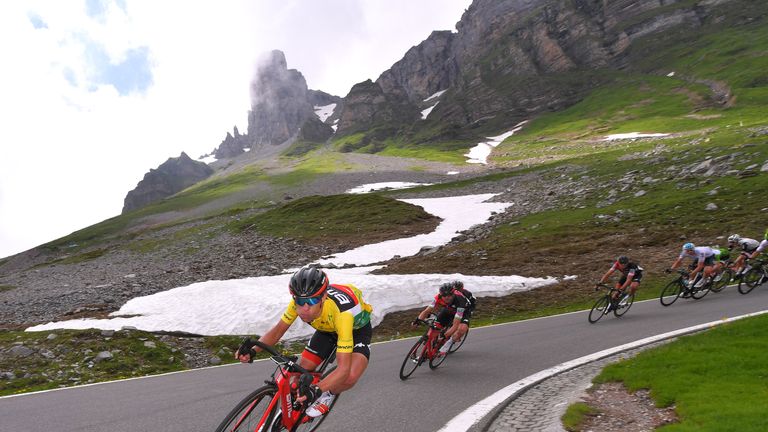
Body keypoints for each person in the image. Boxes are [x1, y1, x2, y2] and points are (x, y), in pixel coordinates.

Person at [235, 265, 373, 418]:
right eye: (300, 301)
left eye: (312, 300)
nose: (305, 308)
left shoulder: (343, 316)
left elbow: (343, 370)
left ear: (323, 297)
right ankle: (293, 411)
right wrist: (253, 350)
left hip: (355, 331)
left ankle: (328, 395)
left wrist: (317, 390)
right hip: (327, 330)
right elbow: (278, 331)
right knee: (298, 374)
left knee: (350, 376)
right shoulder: (297, 305)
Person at [413, 281, 472, 356]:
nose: (447, 297)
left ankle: (448, 344)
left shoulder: (460, 301)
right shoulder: (438, 297)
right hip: (448, 310)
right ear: (440, 294)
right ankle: (428, 350)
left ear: (453, 294)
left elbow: (455, 325)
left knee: (461, 329)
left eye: (449, 295)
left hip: (463, 312)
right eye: (444, 295)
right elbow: (426, 311)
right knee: (433, 330)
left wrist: (445, 336)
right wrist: (417, 320)